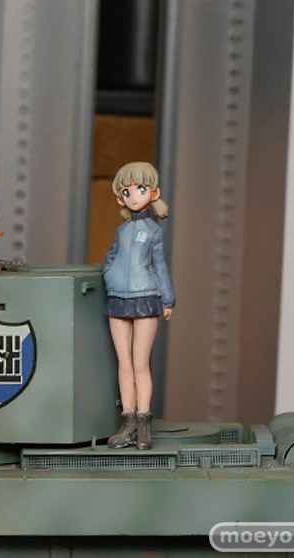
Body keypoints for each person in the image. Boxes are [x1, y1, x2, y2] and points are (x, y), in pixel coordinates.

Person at [102, 161, 175, 450]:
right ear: (121, 197)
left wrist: (167, 298)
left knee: (140, 364)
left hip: (146, 297)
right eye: (127, 191)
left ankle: (144, 424)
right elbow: (111, 257)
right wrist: (110, 275)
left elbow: (160, 266)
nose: (134, 196)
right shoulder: (121, 231)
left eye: (141, 189)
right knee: (124, 364)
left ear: (153, 193)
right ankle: (128, 422)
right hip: (117, 297)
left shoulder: (154, 231)